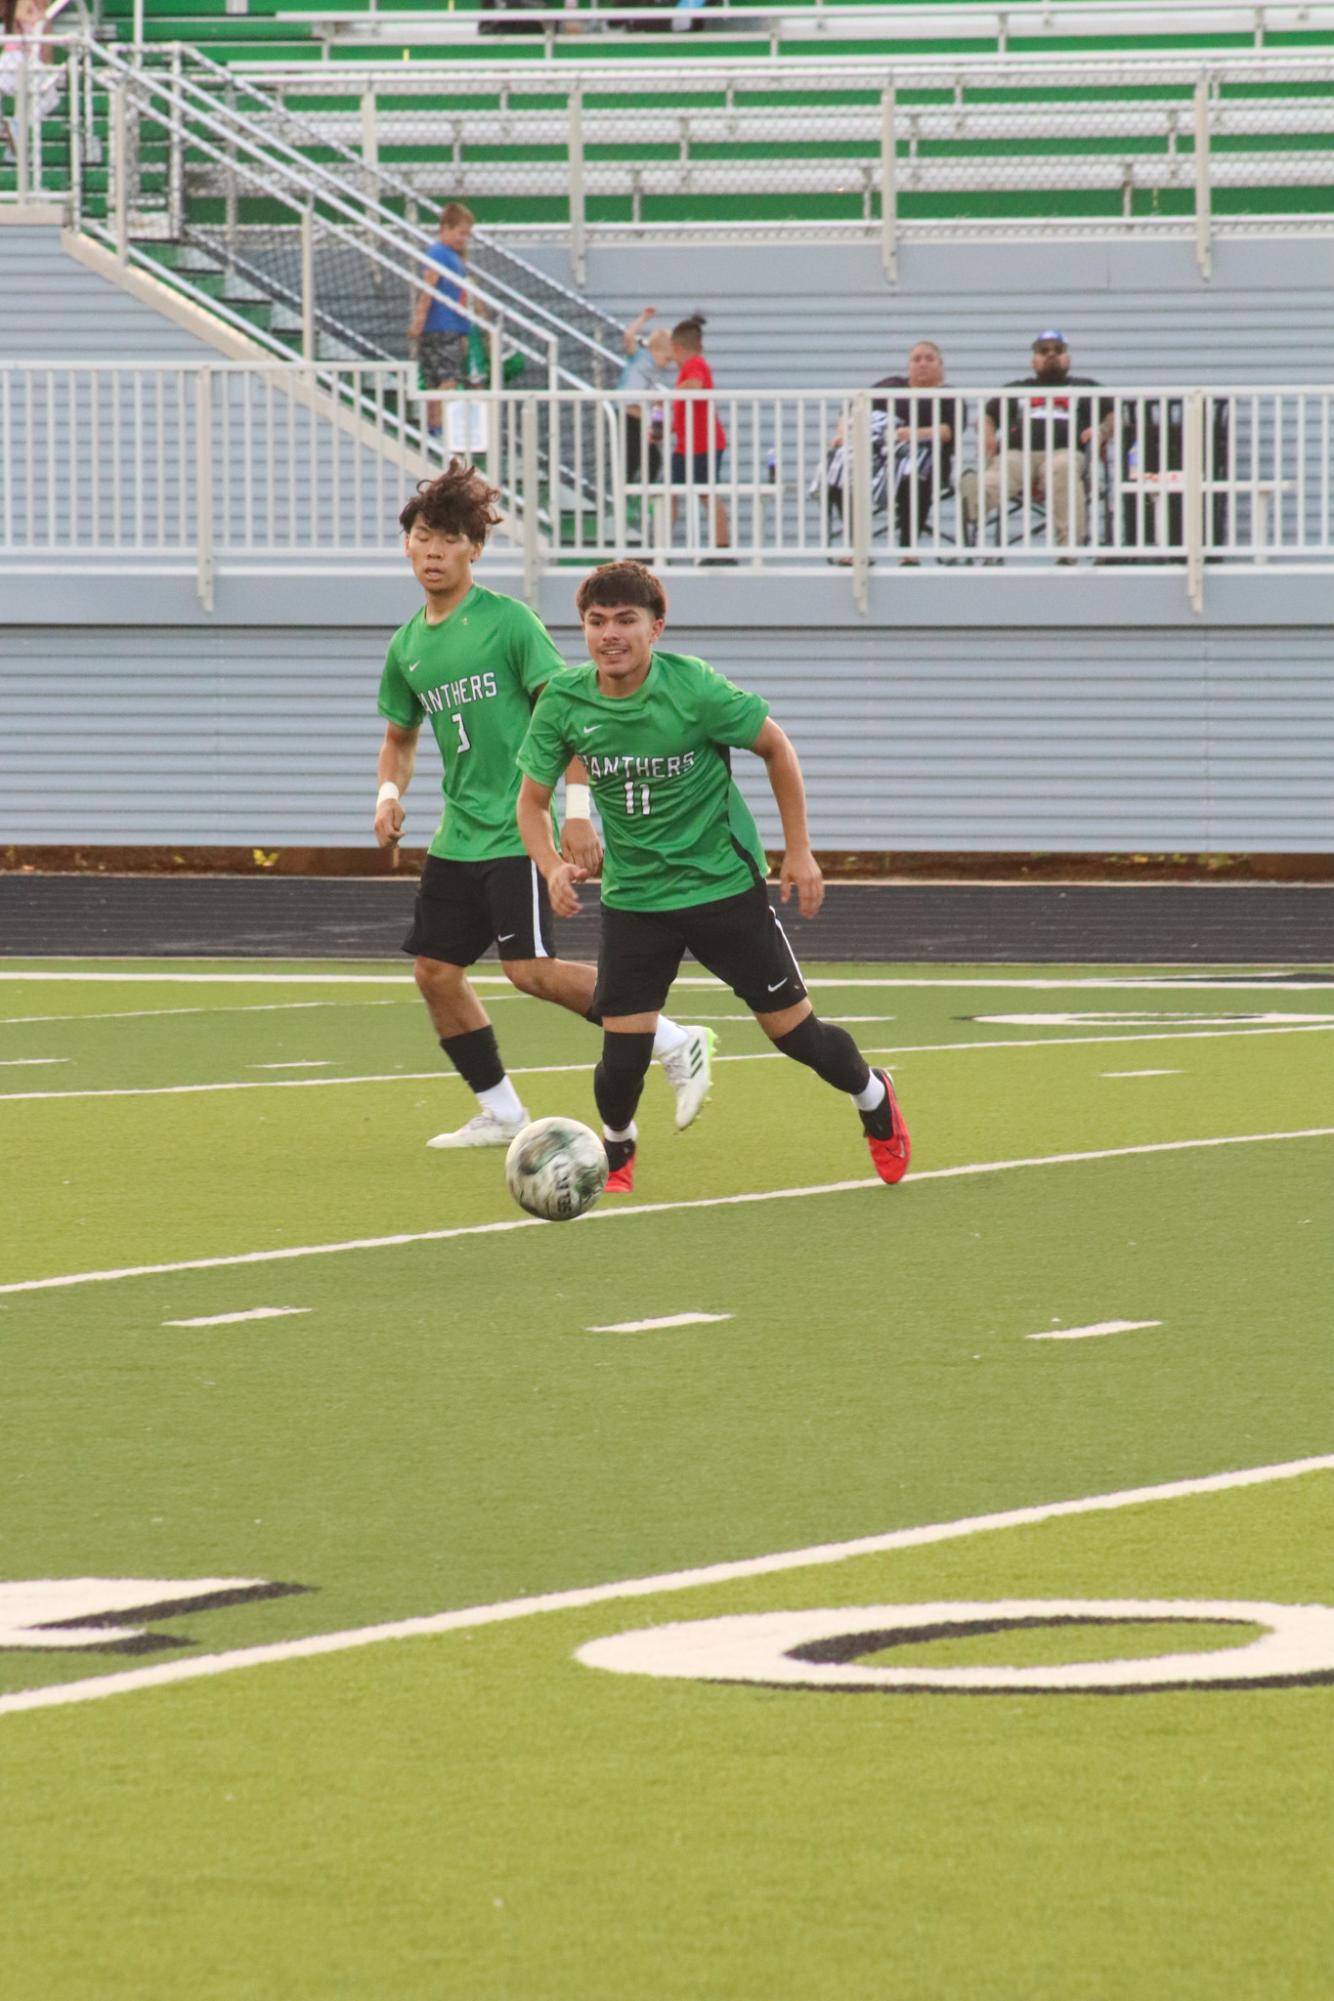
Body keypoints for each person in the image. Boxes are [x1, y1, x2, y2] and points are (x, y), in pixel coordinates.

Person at [515, 560, 910, 1194]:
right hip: (636, 899)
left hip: (723, 888)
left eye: (625, 621)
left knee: (798, 1037)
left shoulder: (694, 689)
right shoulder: (564, 699)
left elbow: (776, 747)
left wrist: (800, 852)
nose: (609, 635)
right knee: (621, 1064)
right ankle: (615, 1150)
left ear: (656, 628)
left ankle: (873, 1097)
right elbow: (530, 802)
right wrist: (551, 866)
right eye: (595, 622)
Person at [373, 469, 715, 1149]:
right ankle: (501, 1112)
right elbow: (399, 739)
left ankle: (675, 1040)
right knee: (434, 972)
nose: (432, 550)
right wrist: (388, 793)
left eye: (448, 538)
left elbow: (569, 716)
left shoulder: (508, 622)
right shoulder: (407, 645)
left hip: (514, 829)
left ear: (474, 548)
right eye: (421, 536)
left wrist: (578, 809)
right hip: (457, 834)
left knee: (529, 970)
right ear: (407, 548)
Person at [960, 330, 1114, 551]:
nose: (1051, 355)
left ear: (1067, 359)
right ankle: (974, 503)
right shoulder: (1016, 389)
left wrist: (1102, 430)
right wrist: (987, 434)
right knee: (1002, 470)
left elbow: (1115, 415)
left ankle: (1068, 547)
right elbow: (987, 416)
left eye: (1057, 350)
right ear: (1034, 361)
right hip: (1018, 455)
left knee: (1062, 468)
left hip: (1065, 452)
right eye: (1044, 351)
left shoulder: (1085, 387)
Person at [818, 338, 960, 561]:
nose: (922, 363)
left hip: (924, 455)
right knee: (839, 465)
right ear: (909, 365)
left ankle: (908, 548)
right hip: (880, 452)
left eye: (929, 359)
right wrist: (842, 434)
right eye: (916, 359)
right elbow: (855, 405)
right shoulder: (892, 386)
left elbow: (948, 431)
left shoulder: (948, 395)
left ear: (940, 366)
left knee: (914, 473)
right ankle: (857, 545)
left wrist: (913, 434)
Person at [407, 203, 476, 439]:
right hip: (439, 325)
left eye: (467, 234)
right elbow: (430, 287)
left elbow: (462, 296)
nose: (463, 239)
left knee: (445, 378)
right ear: (445, 228)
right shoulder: (437, 253)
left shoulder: (455, 258)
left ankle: (437, 427)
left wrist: (465, 331)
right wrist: (420, 318)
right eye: (461, 232)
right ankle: (436, 428)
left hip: (453, 326)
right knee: (444, 379)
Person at [669, 313, 730, 555]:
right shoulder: (689, 368)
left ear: (676, 347)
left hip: (704, 445)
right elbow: (685, 410)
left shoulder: (694, 364)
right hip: (686, 446)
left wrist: (669, 393)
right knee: (670, 493)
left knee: (706, 493)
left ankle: (722, 546)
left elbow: (695, 386)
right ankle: (661, 546)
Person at [617, 306, 675, 488]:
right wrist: (643, 318)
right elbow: (628, 337)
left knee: (653, 459)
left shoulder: (654, 372)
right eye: (666, 359)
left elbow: (649, 391)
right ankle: (624, 493)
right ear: (656, 351)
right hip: (627, 414)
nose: (666, 365)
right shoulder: (639, 356)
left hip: (641, 417)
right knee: (630, 458)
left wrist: (657, 402)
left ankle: (644, 491)